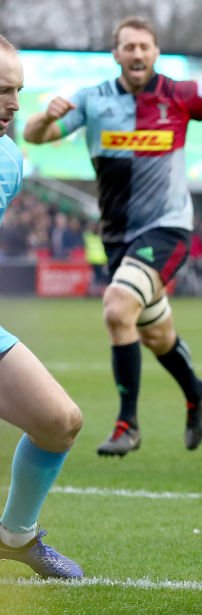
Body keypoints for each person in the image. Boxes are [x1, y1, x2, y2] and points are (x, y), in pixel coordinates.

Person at [23, 16, 202, 456]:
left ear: (155, 52)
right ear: (116, 54)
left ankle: (127, 423)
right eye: (128, 47)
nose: (137, 54)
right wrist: (41, 118)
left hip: (167, 228)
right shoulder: (92, 100)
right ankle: (196, 391)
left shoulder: (181, 95)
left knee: (117, 306)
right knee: (157, 334)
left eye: (144, 46)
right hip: (117, 239)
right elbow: (39, 135)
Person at [0, 36, 84, 579]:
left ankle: (15, 536)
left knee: (59, 422)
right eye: (2, 90)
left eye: (18, 91)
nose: (13, 103)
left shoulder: (10, 157)